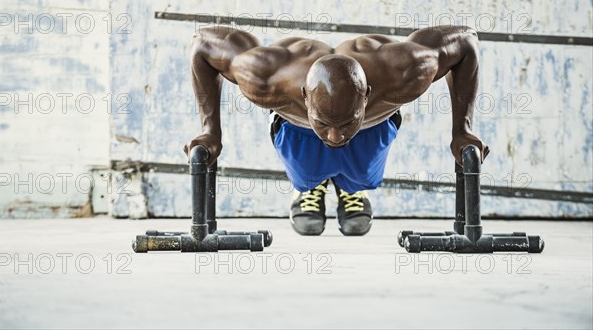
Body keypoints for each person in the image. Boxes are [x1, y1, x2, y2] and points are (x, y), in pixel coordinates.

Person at [183, 25, 489, 236]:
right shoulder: (266, 74)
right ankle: (309, 187)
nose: (335, 136)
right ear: (303, 95)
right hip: (299, 127)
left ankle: (351, 189)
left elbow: (465, 42)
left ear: (367, 93)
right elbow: (202, 43)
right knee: (306, 177)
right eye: (325, 125)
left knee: (364, 178)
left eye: (344, 124)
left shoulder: (405, 69)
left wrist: (462, 130)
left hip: (372, 125)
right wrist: (211, 131)